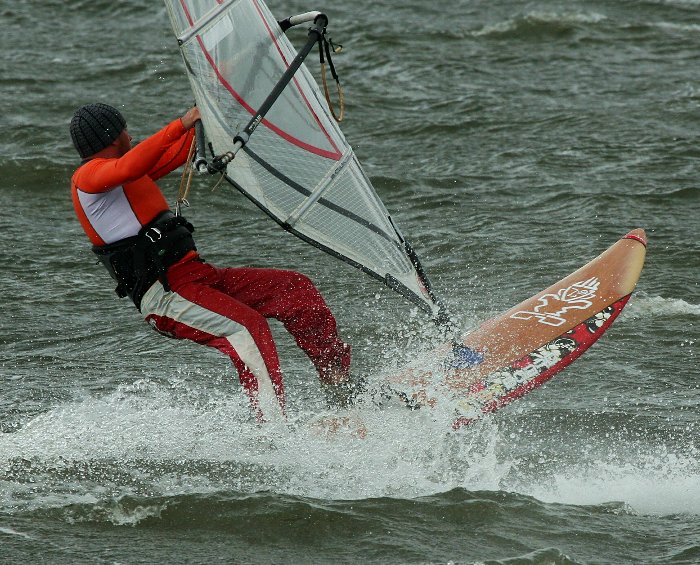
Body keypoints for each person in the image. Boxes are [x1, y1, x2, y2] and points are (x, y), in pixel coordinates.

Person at [69, 103, 352, 421]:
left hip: (196, 277)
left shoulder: (128, 174)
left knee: (294, 289)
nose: (131, 135)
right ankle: (273, 432)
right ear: (112, 137)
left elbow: (187, 147)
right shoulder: (88, 178)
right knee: (247, 328)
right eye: (125, 130)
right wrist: (183, 121)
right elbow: (131, 165)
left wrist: (220, 105)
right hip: (166, 295)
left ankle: (337, 381)